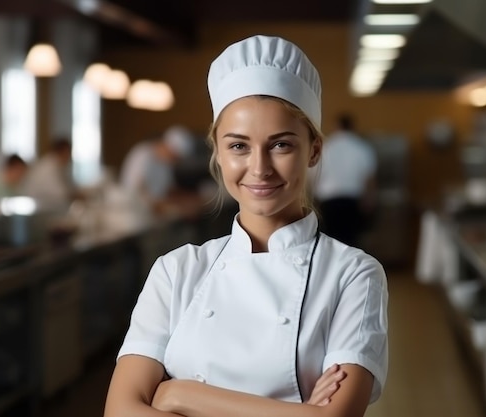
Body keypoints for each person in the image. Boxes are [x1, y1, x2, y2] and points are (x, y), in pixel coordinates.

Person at [104, 35, 388, 417]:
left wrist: (180, 396)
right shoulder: (176, 271)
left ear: (314, 150)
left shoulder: (353, 274)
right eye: (238, 146)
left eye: (281, 145)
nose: (259, 168)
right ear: (218, 153)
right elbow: (120, 411)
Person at [314, 113, 377, 247]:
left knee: (330, 242)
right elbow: (369, 177)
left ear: (336, 127)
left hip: (328, 201)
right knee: (350, 241)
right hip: (353, 202)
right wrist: (369, 200)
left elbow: (316, 175)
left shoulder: (327, 147)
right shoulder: (362, 148)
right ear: (352, 127)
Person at [119, 126, 200, 216]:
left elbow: (168, 190)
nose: (175, 161)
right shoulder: (143, 155)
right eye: (174, 157)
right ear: (166, 146)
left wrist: (187, 199)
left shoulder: (165, 164)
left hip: (154, 216)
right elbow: (137, 190)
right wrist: (163, 206)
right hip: (134, 214)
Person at [20, 137, 76, 209]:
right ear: (64, 152)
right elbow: (61, 194)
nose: (69, 157)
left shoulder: (52, 164)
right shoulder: (49, 167)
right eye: (68, 153)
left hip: (41, 207)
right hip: (37, 209)